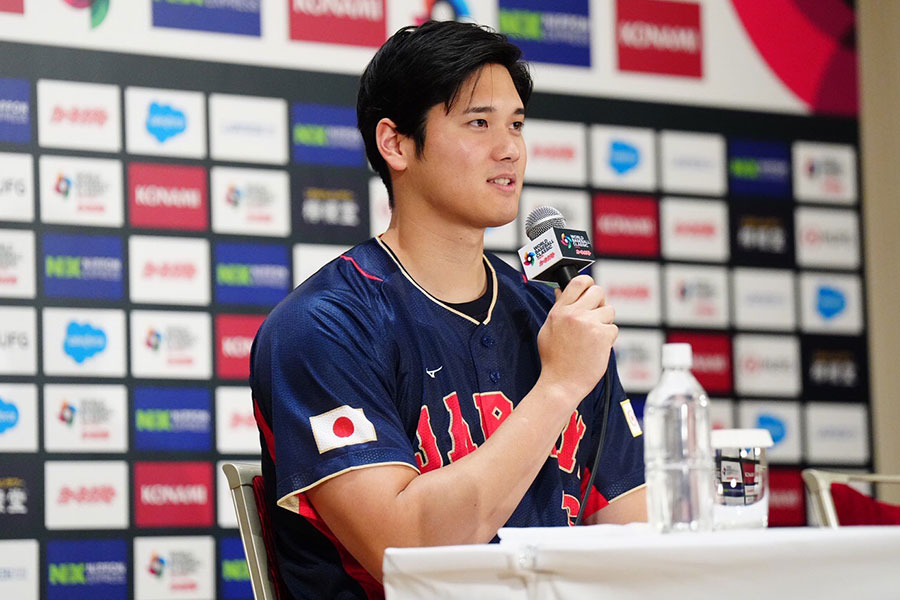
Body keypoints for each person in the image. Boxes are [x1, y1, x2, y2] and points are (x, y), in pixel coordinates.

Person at [250, 20, 646, 599]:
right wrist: (558, 386)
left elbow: (635, 536)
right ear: (397, 144)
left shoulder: (558, 318)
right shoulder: (324, 325)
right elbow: (406, 551)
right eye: (478, 122)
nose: (509, 146)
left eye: (516, 124)